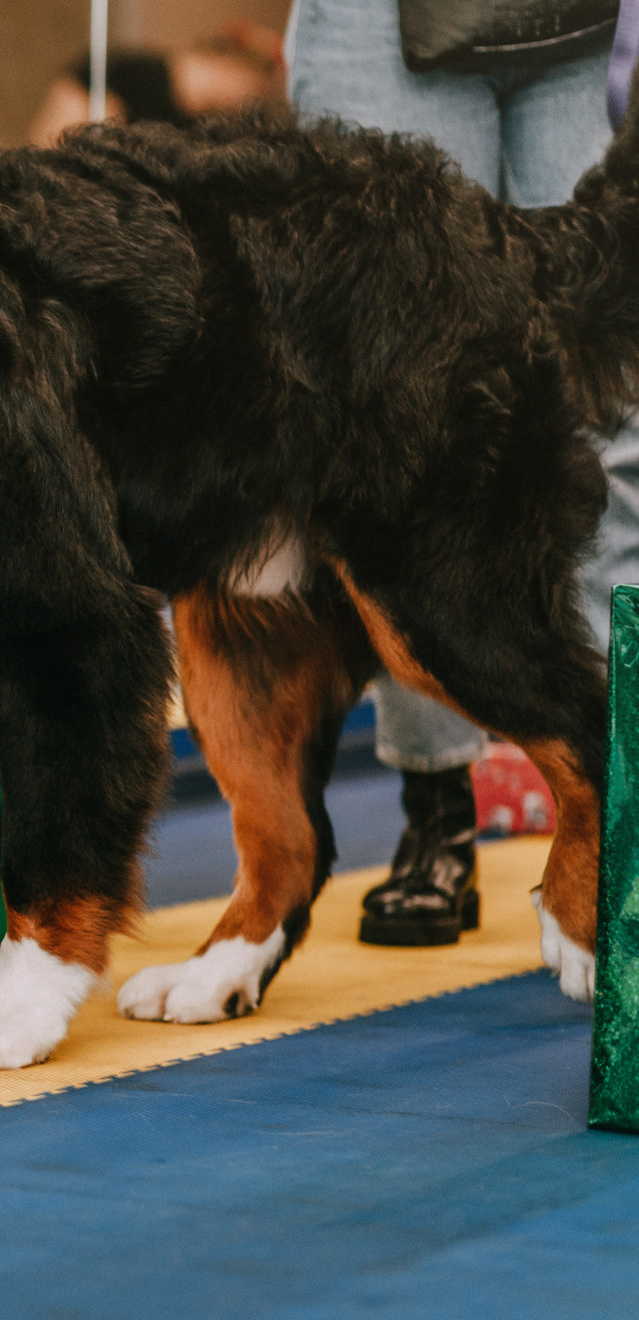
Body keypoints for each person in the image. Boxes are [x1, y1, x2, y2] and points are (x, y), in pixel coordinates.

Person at [290, 0, 639, 945]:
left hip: (589, 25)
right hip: (377, 23)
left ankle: (617, 820)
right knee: (401, 425)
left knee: (609, 410)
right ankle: (437, 810)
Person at [28, 24, 286, 147]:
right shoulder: (130, 74)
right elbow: (51, 135)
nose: (245, 103)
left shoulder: (206, 126)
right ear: (229, 63)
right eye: (251, 89)